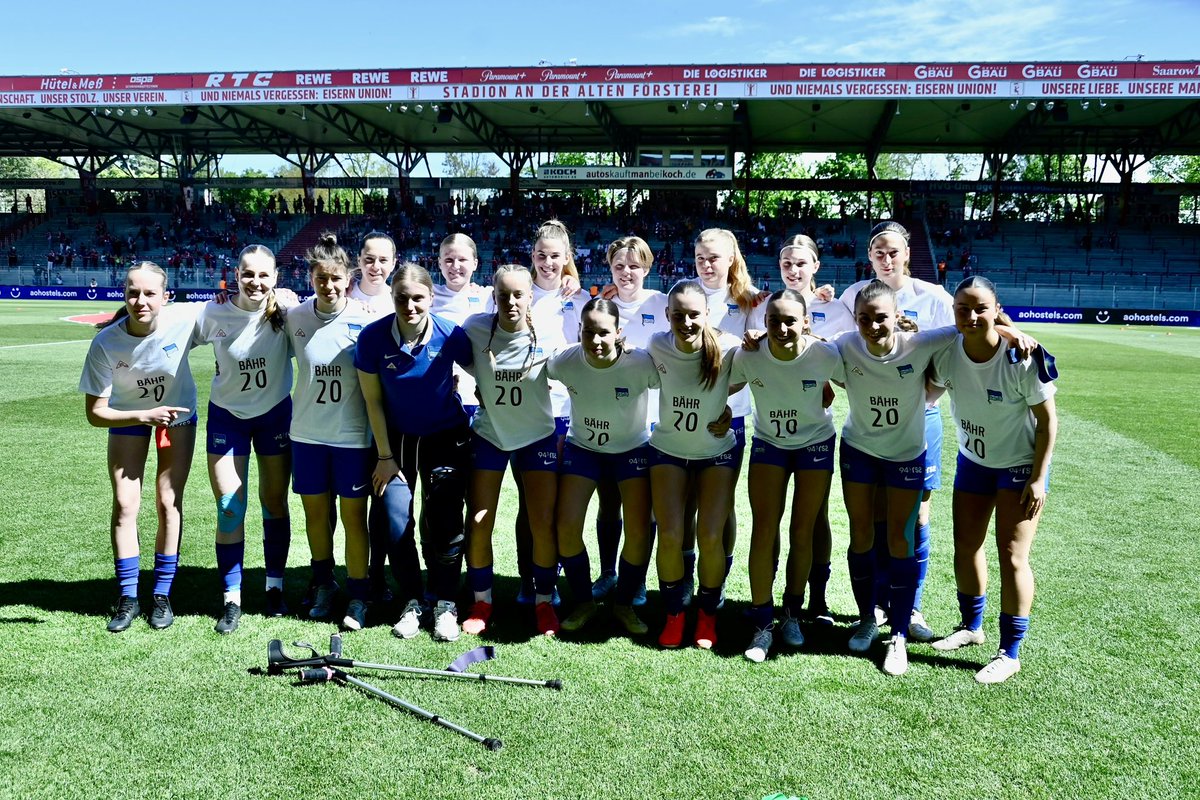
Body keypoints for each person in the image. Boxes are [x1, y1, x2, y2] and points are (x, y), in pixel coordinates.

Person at [929, 276, 1057, 684]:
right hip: (973, 462)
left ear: (995, 308)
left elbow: (1048, 422)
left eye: (980, 307)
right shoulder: (947, 353)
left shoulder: (1021, 356)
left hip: (1019, 465)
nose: (971, 315)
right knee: (967, 545)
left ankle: (1010, 652)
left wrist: (1038, 479)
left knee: (1012, 554)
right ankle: (971, 626)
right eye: (962, 308)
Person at [839, 221, 955, 643]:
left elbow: (960, 337)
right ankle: (876, 606)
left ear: (907, 254)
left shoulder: (934, 296)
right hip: (869, 423)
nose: (886, 260)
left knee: (914, 520)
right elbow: (827, 338)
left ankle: (911, 606)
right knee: (873, 520)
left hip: (920, 419)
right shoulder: (854, 295)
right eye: (878, 253)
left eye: (893, 252)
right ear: (869, 258)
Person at [355, 263, 474, 642]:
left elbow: (485, 368)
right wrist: (385, 456)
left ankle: (445, 602)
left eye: (418, 298)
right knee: (394, 520)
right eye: (401, 298)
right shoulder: (373, 338)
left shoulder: (450, 333)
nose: (410, 305)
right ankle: (412, 599)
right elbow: (373, 401)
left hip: (445, 437)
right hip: (396, 443)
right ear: (391, 298)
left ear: (431, 298)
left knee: (445, 521)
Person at [80, 261, 198, 632]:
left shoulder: (186, 319)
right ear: (124, 295)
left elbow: (236, 313)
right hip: (131, 419)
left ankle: (161, 595)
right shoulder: (106, 343)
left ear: (166, 297)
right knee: (125, 504)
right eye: (133, 292)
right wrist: (144, 414)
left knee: (168, 501)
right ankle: (128, 597)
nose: (141, 300)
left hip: (177, 416)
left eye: (149, 293)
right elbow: (96, 413)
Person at [749, 234, 855, 625]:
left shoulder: (838, 307)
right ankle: (773, 603)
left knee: (815, 521)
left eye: (800, 263)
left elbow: (850, 360)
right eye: (786, 264)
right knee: (771, 521)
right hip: (772, 432)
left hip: (814, 431)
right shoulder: (767, 305)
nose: (793, 270)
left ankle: (817, 599)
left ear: (816, 266)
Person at [733, 290, 844, 662]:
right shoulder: (748, 354)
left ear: (807, 322)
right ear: (761, 324)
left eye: (790, 320)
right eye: (773, 320)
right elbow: (719, 380)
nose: (782, 327)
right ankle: (762, 621)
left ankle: (793, 614)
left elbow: (866, 372)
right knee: (765, 527)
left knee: (803, 528)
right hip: (769, 444)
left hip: (815, 443)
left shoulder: (825, 353)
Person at [192, 245, 293, 633]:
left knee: (274, 502)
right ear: (235, 275)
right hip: (227, 418)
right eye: (248, 274)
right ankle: (232, 598)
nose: (255, 281)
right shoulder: (213, 312)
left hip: (275, 417)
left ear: (276, 278)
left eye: (263, 275)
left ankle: (273, 587)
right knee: (230, 507)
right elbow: (170, 331)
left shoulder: (287, 312)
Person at [547, 297, 659, 636]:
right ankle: (582, 601)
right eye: (588, 332)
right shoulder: (566, 360)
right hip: (583, 448)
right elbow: (530, 373)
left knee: (640, 529)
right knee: (565, 527)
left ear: (619, 332)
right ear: (579, 330)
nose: (595, 341)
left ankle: (624, 603)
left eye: (604, 333)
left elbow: (682, 383)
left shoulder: (640, 363)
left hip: (631, 450)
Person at [460, 265, 561, 637]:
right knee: (480, 519)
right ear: (494, 297)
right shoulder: (475, 328)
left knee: (541, 522)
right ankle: (482, 601)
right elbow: (447, 352)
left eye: (519, 294)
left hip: (537, 437)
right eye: (504, 295)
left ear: (531, 296)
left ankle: (544, 602)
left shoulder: (549, 333)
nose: (511, 301)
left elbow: (579, 370)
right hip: (490, 435)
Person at [285, 233, 376, 631]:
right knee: (316, 516)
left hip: (352, 438)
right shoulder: (294, 317)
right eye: (322, 278)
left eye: (337, 278)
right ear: (311, 278)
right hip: (306, 435)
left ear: (349, 278)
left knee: (354, 518)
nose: (330, 286)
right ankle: (323, 582)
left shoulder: (365, 320)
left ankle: (358, 593)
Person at [648, 280, 742, 650]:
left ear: (707, 315)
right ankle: (674, 613)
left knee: (711, 535)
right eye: (678, 315)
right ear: (667, 315)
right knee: (670, 534)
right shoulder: (657, 345)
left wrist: (724, 404)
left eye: (694, 315)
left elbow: (757, 372)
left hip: (716, 452)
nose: (686, 322)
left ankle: (707, 614)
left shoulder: (730, 347)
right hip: (669, 450)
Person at [589, 236, 669, 603]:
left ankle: (635, 581)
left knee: (645, 508)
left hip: (654, 422)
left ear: (647, 269)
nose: (626, 273)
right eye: (619, 266)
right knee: (609, 501)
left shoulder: (662, 303)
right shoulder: (598, 305)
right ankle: (607, 573)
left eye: (634, 266)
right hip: (610, 422)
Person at [690, 229, 758, 603]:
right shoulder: (684, 292)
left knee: (722, 505)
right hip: (685, 413)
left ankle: (719, 575)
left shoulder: (750, 301)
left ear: (732, 257)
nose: (706, 264)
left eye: (714, 257)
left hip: (731, 414)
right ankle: (684, 579)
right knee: (685, 504)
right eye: (701, 257)